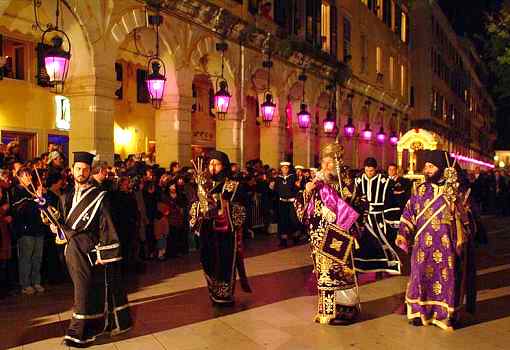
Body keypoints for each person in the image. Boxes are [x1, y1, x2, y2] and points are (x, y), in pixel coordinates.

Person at [50, 151, 131, 347]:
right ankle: (92, 325)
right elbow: (63, 223)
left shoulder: (99, 195)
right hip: (70, 249)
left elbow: (106, 224)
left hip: (89, 248)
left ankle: (77, 331)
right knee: (87, 289)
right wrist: (55, 227)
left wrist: (104, 252)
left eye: (85, 169)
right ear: (72, 170)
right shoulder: (65, 196)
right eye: (78, 168)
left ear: (90, 171)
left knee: (83, 288)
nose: (81, 172)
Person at [396, 150, 473, 330]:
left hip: (447, 246)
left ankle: (446, 315)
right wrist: (403, 232)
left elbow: (468, 218)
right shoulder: (420, 189)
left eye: (431, 166)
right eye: (426, 166)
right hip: (423, 245)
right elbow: (409, 211)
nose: (427, 170)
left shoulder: (456, 191)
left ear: (443, 169)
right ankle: (418, 312)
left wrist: (459, 208)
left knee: (447, 279)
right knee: (419, 277)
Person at [295, 143, 360, 325]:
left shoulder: (345, 180)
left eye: (329, 163)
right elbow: (302, 207)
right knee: (324, 273)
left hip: (338, 233)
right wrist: (306, 192)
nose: (325, 166)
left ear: (337, 163)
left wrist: (341, 202)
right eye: (323, 163)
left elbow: (356, 201)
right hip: (318, 234)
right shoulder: (316, 182)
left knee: (340, 271)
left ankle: (346, 308)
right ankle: (327, 311)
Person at [189, 150, 251, 305]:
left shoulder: (234, 185)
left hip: (225, 232)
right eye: (210, 164)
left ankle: (225, 295)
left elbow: (241, 209)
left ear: (224, 166)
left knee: (224, 262)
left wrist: (221, 205)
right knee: (208, 261)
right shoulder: (204, 184)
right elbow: (195, 205)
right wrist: (199, 207)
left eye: (216, 164)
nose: (213, 167)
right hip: (207, 231)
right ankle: (212, 291)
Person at [353, 157, 401, 275]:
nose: (369, 173)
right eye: (367, 170)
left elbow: (392, 199)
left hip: (379, 217)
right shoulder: (358, 180)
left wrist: (391, 216)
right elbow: (355, 198)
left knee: (380, 240)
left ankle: (384, 265)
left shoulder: (384, 181)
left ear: (376, 169)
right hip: (364, 217)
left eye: (371, 171)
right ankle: (364, 265)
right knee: (364, 241)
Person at [273, 162, 299, 247]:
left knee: (292, 219)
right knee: (283, 221)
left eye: (286, 168)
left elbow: (296, 188)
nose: (285, 170)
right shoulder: (278, 178)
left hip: (291, 202)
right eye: (283, 168)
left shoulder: (293, 177)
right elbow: (276, 189)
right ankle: (283, 240)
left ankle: (295, 237)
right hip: (282, 201)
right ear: (281, 169)